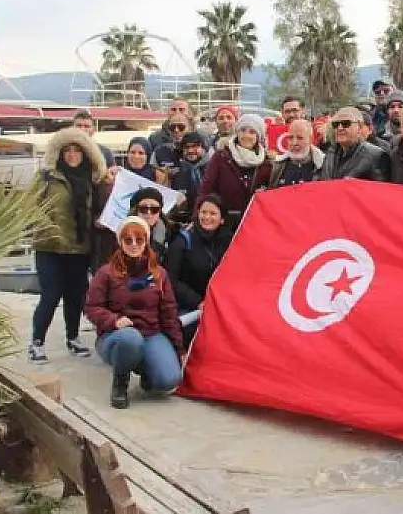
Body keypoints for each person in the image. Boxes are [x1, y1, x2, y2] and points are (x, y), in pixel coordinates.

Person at [84, 216, 184, 409]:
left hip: (151, 333)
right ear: (120, 242)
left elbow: (169, 312)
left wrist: (178, 348)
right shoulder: (106, 273)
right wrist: (114, 320)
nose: (134, 244)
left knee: (168, 380)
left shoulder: (159, 274)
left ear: (146, 241)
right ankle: (120, 383)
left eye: (139, 240)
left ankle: (145, 367)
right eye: (128, 240)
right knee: (130, 339)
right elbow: (91, 308)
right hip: (117, 336)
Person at [28, 127, 107, 364]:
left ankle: (73, 337)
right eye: (67, 151)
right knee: (50, 295)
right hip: (50, 246)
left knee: (76, 295)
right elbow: (28, 207)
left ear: (86, 154)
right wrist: (48, 227)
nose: (72, 155)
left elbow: (97, 208)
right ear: (59, 154)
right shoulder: (46, 177)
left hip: (79, 248)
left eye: (77, 150)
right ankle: (37, 342)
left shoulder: (90, 180)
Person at [165, 194, 232, 346]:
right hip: (188, 308)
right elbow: (171, 280)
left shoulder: (230, 242)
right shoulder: (182, 241)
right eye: (203, 212)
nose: (207, 217)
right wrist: (198, 302)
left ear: (222, 219)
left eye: (213, 213)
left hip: (218, 305)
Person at [198, 113, 273, 224]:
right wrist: (199, 218)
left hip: (255, 223)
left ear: (259, 137)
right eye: (243, 130)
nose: (246, 135)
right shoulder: (221, 157)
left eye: (252, 132)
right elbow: (206, 190)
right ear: (237, 132)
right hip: (223, 224)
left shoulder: (266, 163)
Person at [320, 106, 390, 181]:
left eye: (346, 123)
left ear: (359, 128)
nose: (340, 128)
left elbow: (382, 189)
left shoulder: (376, 156)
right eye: (336, 124)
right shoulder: (330, 153)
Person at [269, 119, 325, 188]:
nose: (294, 143)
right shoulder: (276, 166)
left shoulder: (324, 165)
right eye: (290, 138)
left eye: (300, 138)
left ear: (311, 139)